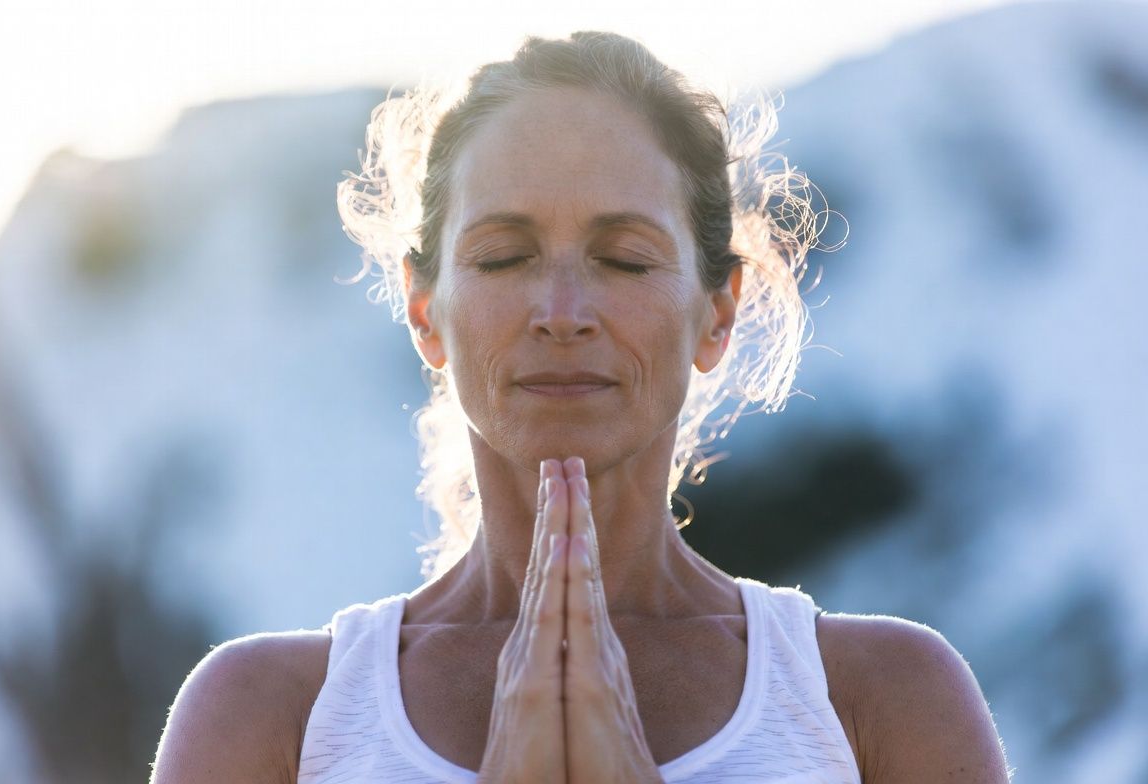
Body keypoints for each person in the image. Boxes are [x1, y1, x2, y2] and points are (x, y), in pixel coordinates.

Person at [151, 31, 1010, 783]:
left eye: (626, 259)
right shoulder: (267, 718)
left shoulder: (882, 699)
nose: (561, 312)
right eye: (502, 257)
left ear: (717, 312)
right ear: (425, 312)